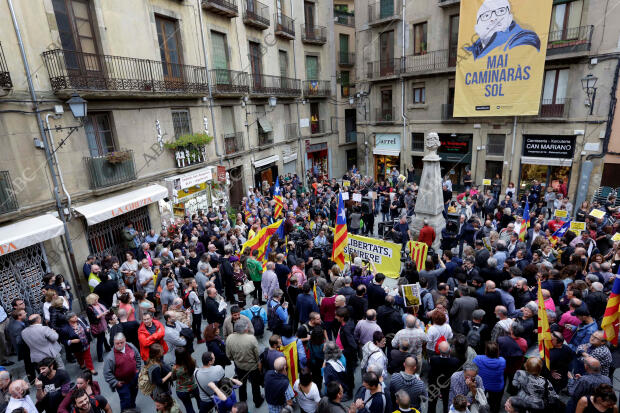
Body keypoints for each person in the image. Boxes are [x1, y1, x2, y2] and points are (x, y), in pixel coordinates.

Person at [225, 318, 264, 407]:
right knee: (255, 385)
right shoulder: (251, 339)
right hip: (252, 367)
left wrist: (237, 359)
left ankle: (243, 401)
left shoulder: (229, 338)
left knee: (241, 384)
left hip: (239, 366)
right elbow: (257, 355)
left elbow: (229, 355)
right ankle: (257, 401)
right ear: (246, 329)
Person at [103, 333, 141, 411]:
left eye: (122, 342)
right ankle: (125, 411)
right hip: (122, 384)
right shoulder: (110, 357)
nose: (120, 344)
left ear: (125, 340)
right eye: (117, 343)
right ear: (114, 342)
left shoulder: (130, 346)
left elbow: (137, 357)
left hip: (134, 378)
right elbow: (107, 373)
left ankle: (132, 408)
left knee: (134, 394)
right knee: (125, 400)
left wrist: (138, 369)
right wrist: (115, 383)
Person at [473, 342, 505, 413]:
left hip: (482, 385)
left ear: (486, 351)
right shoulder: (502, 361)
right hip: (496, 387)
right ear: (497, 351)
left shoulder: (478, 359)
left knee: (481, 401)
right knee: (494, 403)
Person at [429, 341, 460, 413]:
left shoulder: (433, 359)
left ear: (439, 351)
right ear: (449, 350)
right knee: (446, 403)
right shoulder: (455, 361)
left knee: (432, 404)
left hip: (434, 383)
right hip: (448, 384)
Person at [85, 293, 111, 362]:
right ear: (91, 301)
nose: (97, 301)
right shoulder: (89, 308)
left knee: (104, 336)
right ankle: (100, 357)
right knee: (100, 341)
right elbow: (92, 319)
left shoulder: (99, 304)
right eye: (95, 300)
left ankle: (108, 348)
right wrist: (102, 314)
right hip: (98, 326)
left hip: (103, 324)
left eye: (97, 299)